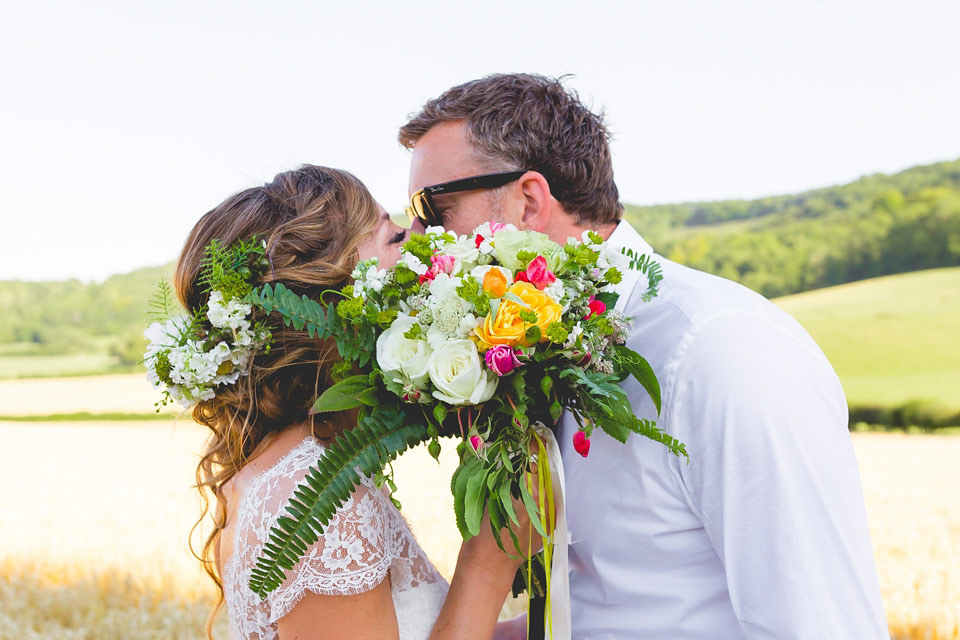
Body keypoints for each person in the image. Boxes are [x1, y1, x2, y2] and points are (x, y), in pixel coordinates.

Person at [399, 74, 889, 638]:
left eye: (434, 209)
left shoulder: (722, 352)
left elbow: (825, 625)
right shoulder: (535, 352)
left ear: (529, 201)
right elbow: (597, 609)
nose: (418, 238)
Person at [178, 165, 529, 640]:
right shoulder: (319, 508)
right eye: (396, 237)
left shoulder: (314, 472)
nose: (424, 246)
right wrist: (490, 561)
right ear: (337, 302)